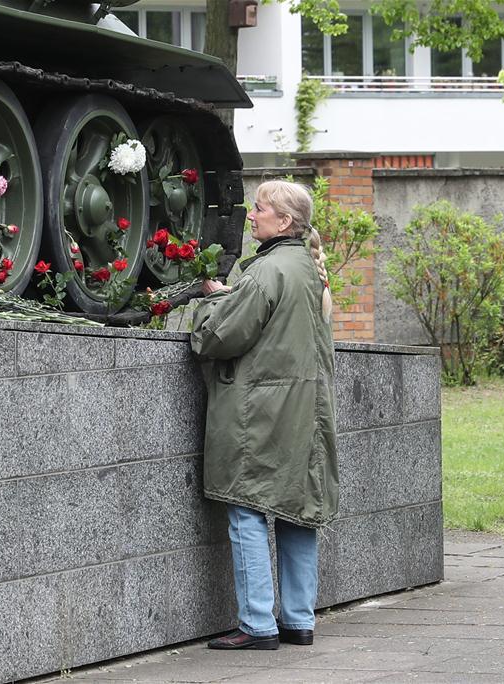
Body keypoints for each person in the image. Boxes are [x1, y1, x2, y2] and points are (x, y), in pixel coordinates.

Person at [190, 180, 339, 650]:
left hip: (262, 414)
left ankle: (257, 625)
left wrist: (214, 300)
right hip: (305, 412)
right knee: (297, 510)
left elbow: (217, 339)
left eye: (260, 209)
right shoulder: (308, 270)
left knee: (247, 507)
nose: (251, 216)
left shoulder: (267, 272)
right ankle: (298, 621)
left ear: (285, 222)